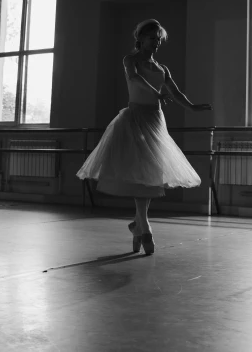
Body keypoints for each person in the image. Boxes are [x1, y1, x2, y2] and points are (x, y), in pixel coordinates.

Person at [77, 19, 212, 255]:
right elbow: (135, 78)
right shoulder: (131, 60)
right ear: (140, 39)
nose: (156, 42)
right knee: (141, 174)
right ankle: (144, 226)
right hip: (135, 118)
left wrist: (192, 107)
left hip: (156, 121)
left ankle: (139, 224)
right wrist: (156, 93)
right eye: (152, 38)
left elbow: (175, 91)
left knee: (150, 174)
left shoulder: (162, 68)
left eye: (159, 38)